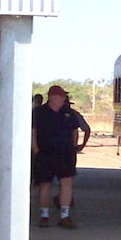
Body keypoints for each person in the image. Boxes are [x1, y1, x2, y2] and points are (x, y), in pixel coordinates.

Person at [31, 85, 89, 229]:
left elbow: (75, 131)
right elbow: (33, 132)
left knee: (67, 184)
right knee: (45, 185)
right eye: (61, 96)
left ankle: (65, 216)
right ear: (52, 97)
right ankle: (44, 216)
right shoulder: (38, 113)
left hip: (65, 155)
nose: (64, 99)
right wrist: (36, 150)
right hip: (45, 154)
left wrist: (74, 147)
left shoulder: (68, 113)